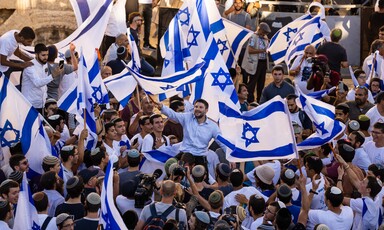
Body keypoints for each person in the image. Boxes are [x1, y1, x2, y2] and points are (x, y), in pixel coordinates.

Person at [156, 99, 226, 169]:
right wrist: (162, 107)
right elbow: (174, 115)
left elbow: (222, 142)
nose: (197, 109)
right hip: (184, 155)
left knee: (201, 177)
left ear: (206, 110)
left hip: (199, 158)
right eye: (196, 107)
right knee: (171, 168)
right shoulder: (187, 117)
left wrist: (231, 157)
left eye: (201, 107)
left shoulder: (213, 126)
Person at [21, 43, 60, 113]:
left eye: (47, 55)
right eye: (43, 55)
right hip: (30, 105)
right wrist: (53, 76)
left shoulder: (45, 65)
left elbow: (44, 84)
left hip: (42, 104)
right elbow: (37, 83)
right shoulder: (30, 66)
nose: (46, 57)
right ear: (36, 54)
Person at [241, 22, 270, 103]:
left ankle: (259, 100)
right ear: (259, 30)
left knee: (261, 82)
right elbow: (250, 50)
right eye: (263, 32)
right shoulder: (253, 37)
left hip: (263, 62)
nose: (264, 34)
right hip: (255, 63)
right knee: (252, 82)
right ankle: (250, 100)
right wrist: (263, 51)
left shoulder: (265, 37)